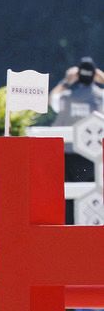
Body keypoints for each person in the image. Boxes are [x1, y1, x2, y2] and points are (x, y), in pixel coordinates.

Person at [50, 56, 104, 222]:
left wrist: (66, 81)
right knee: (93, 195)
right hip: (93, 157)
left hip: (68, 156)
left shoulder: (67, 97)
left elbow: (52, 99)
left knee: (67, 195)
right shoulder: (100, 98)